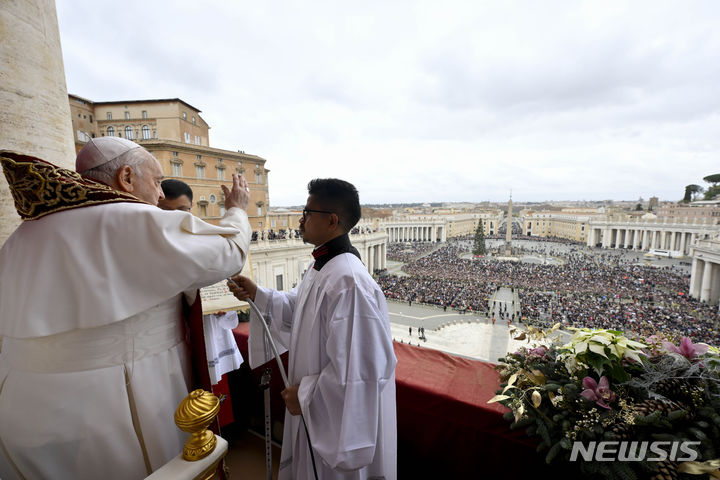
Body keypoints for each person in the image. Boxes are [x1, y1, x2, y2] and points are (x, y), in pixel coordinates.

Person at [0, 137, 252, 480]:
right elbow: (229, 250)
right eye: (158, 181)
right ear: (126, 177)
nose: (161, 195)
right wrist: (237, 208)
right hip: (111, 400)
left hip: (23, 403)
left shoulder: (23, 234)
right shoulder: (129, 217)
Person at [228, 178, 397, 480]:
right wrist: (258, 294)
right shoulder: (323, 266)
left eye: (307, 212)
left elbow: (359, 370)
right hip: (311, 411)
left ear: (331, 221)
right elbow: (300, 312)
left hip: (334, 425)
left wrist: (306, 396)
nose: (300, 220)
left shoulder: (350, 282)